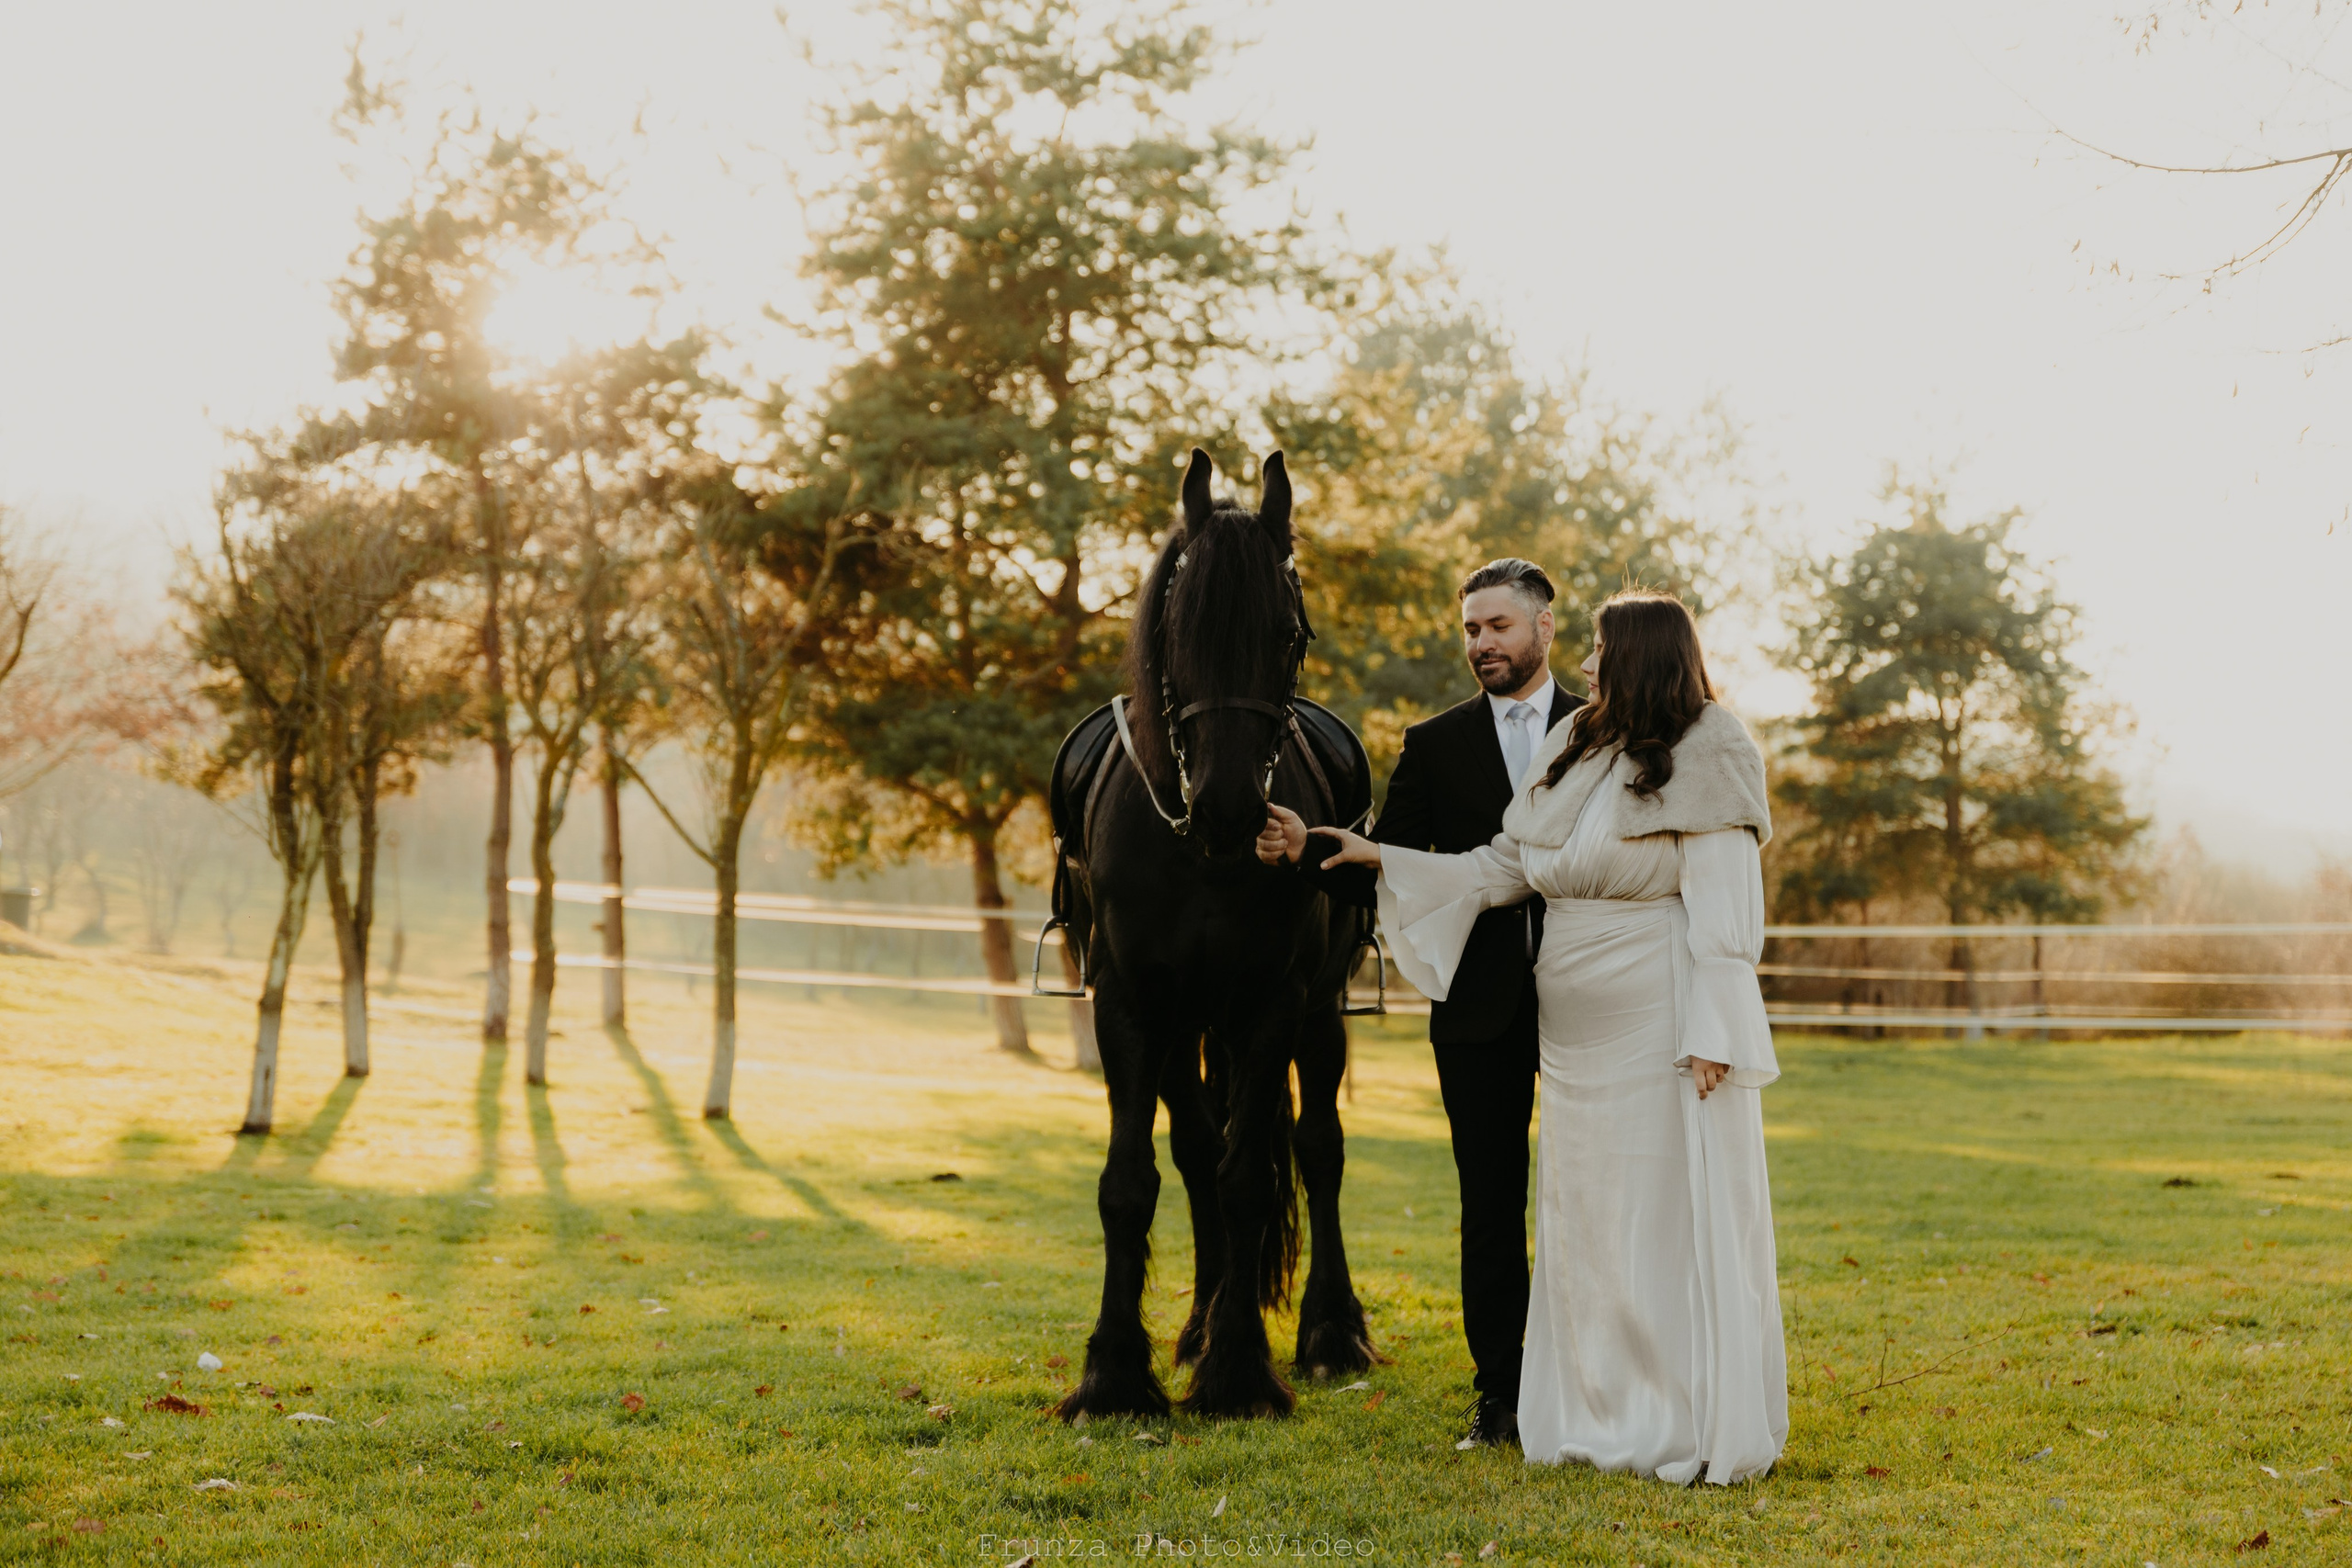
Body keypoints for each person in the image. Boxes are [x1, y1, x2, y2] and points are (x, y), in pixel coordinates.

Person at [1261, 587, 1787, 1485]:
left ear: (1642, 654)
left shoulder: (1712, 746)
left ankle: (1674, 1410)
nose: (1585, 664)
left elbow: (1726, 908)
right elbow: (1503, 865)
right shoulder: (1580, 746)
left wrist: (1715, 1031)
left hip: (1661, 1027)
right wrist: (1369, 851)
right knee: (1587, 1221)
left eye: (1598, 648)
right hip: (1574, 1043)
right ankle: (1595, 1406)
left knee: (1653, 1216)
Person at [1283, 557, 1580, 1450]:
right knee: (1489, 1208)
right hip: (1478, 1010)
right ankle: (1502, 1397)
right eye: (1470, 630)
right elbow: (1384, 867)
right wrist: (1303, 851)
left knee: (1597, 1197)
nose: (1481, 643)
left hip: (1597, 1000)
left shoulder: (1600, 729)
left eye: (1498, 626)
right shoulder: (1435, 742)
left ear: (1543, 628)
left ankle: (1595, 1385)